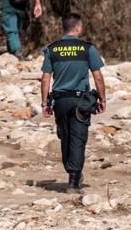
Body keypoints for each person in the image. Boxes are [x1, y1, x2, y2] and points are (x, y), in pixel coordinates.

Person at [40, 14, 106, 194]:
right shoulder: (87, 49)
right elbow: (98, 76)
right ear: (77, 28)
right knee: (78, 139)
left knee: (65, 136)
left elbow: (45, 79)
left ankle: (71, 171)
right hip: (80, 101)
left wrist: (45, 103)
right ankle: (74, 182)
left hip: (59, 101)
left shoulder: (52, 49)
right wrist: (102, 98)